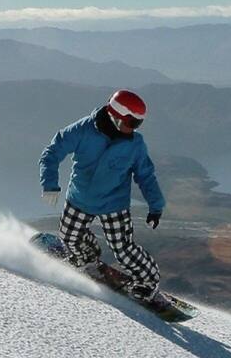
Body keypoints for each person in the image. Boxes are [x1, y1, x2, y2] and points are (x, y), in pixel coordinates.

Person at [39, 89, 168, 304]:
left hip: (113, 203)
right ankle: (86, 257)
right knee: (70, 237)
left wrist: (156, 206)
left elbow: (145, 175)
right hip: (80, 198)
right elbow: (52, 152)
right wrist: (50, 185)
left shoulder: (134, 144)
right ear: (116, 114)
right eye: (133, 123)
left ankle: (148, 282)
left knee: (123, 249)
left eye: (138, 124)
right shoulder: (83, 130)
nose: (135, 129)